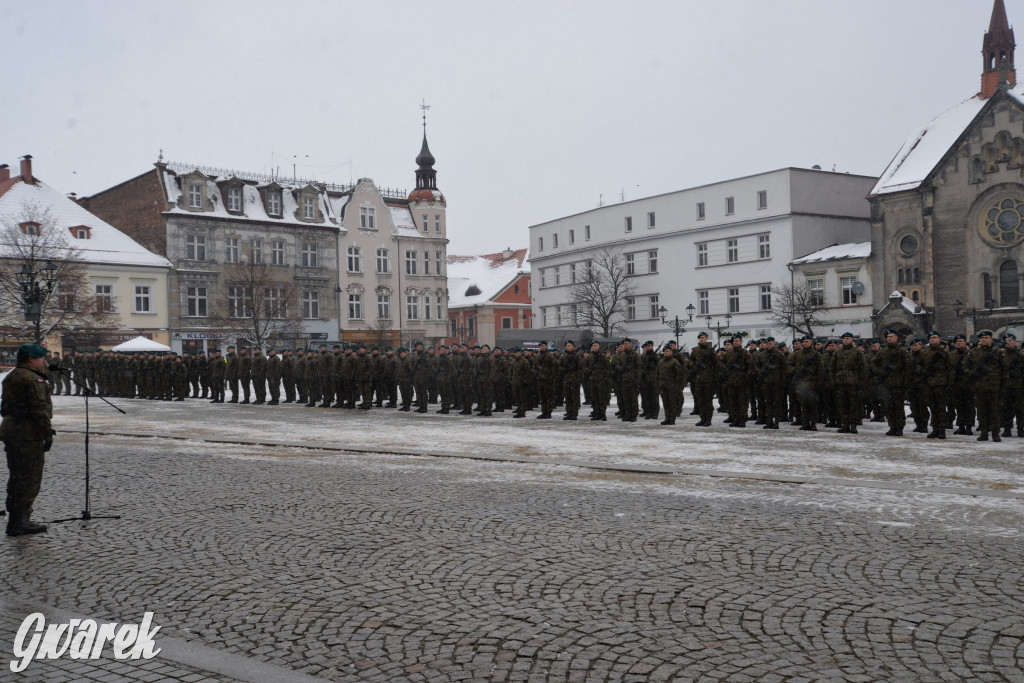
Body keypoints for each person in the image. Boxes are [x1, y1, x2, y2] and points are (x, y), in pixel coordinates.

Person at [0, 344, 54, 536]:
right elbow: (39, 410)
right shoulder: (33, 379)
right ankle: (20, 521)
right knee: (29, 478)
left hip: (13, 431)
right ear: (31, 359)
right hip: (28, 434)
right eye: (41, 358)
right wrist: (47, 433)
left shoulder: (12, 375)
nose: (44, 362)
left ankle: (15, 518)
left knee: (16, 476)